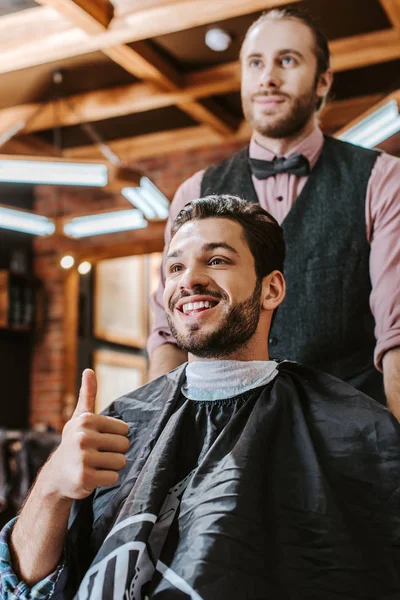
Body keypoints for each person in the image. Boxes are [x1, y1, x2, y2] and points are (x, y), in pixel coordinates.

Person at [2, 195, 400, 600]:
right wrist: (52, 485)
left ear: (271, 289)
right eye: (175, 267)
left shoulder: (355, 429)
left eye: (216, 261)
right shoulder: (121, 423)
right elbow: (23, 588)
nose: (188, 279)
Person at [148, 7, 400, 415]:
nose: (268, 77)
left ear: (322, 82)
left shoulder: (382, 180)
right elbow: (169, 333)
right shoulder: (193, 192)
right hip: (225, 436)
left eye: (287, 60)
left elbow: (398, 332)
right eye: (255, 63)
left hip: (348, 438)